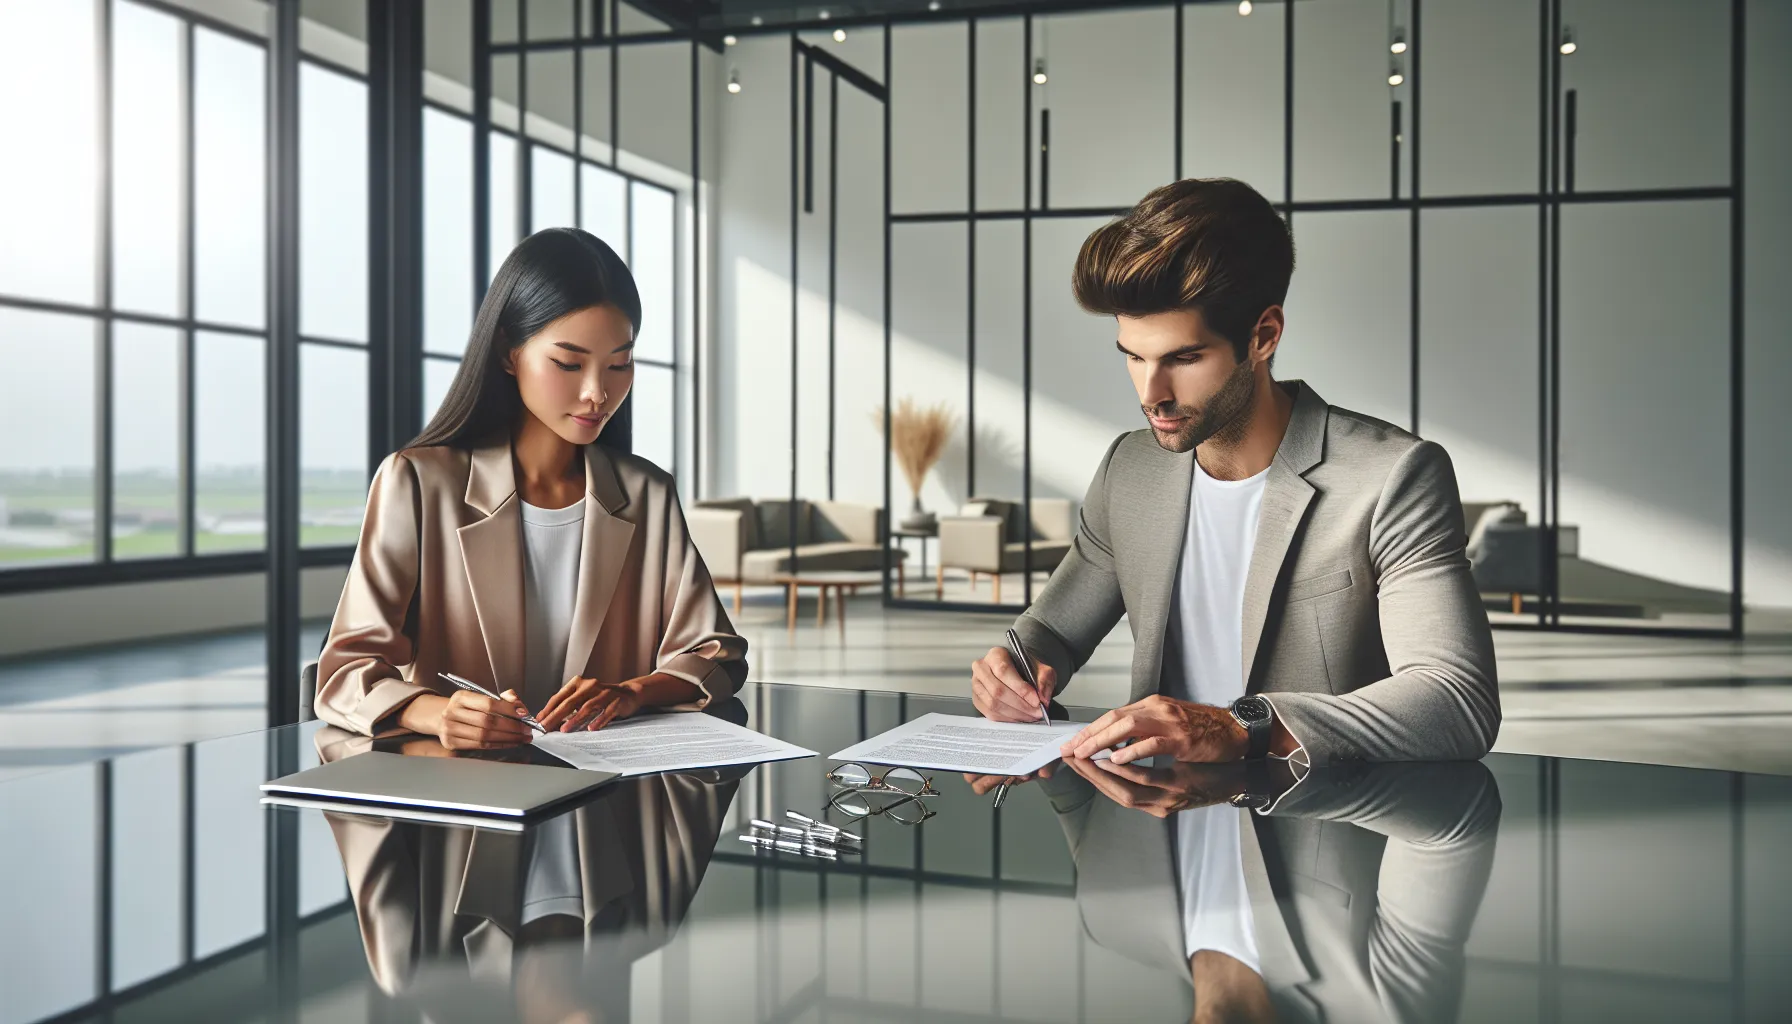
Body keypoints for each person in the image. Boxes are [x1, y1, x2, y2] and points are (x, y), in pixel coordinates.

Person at [968, 177, 1499, 767]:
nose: (1152, 393)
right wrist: (1015, 672)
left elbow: (1457, 702)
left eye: (1184, 359)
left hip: (1313, 833)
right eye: (1134, 356)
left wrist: (1237, 726)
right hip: (1154, 829)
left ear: (1263, 337)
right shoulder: (1130, 467)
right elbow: (1053, 633)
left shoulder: (1390, 476)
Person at [314, 227, 747, 747]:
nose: (597, 393)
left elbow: (717, 654)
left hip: (609, 801)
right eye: (569, 363)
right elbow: (345, 671)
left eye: (619, 364)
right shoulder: (417, 483)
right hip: (463, 799)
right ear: (507, 353)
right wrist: (435, 713)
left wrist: (632, 692)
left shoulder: (646, 493)